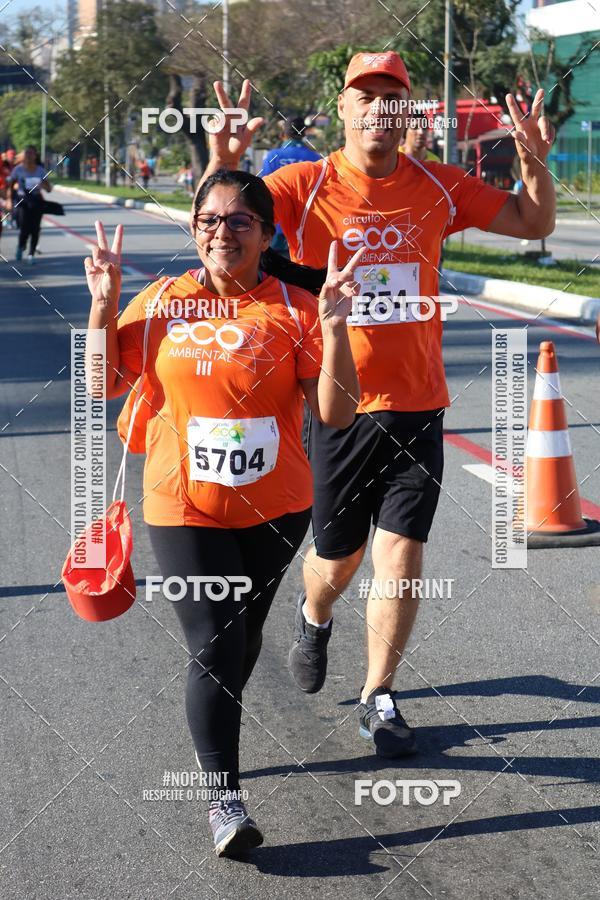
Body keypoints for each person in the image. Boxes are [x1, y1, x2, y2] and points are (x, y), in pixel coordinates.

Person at [199, 52, 556, 759]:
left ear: (406, 112)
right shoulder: (305, 183)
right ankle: (314, 612)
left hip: (418, 404)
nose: (379, 109)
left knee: (401, 552)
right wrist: (224, 159)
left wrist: (534, 161)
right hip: (337, 404)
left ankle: (379, 694)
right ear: (343, 108)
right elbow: (221, 227)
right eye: (365, 96)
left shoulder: (438, 185)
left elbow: (531, 220)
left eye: (392, 96)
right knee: (337, 559)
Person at [84, 170, 362, 855]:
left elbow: (337, 412)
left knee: (242, 639)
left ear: (267, 235)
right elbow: (100, 384)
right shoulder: (162, 301)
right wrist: (102, 307)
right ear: (194, 229)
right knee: (213, 642)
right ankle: (223, 799)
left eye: (240, 221)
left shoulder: (295, 307)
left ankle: (216, 722)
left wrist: (336, 327)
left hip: (276, 508)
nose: (222, 232)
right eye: (209, 220)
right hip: (182, 503)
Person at [261, 116, 321, 255]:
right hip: (308, 227)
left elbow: (263, 191)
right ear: (304, 134)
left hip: (277, 228)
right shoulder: (316, 158)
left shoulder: (272, 156)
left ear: (283, 134)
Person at [6, 145, 52, 264]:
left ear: (35, 156)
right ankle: (21, 246)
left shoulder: (40, 170)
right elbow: (10, 186)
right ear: (23, 155)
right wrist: (9, 200)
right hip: (22, 201)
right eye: (26, 153)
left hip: (36, 201)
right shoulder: (18, 170)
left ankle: (31, 254)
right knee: (24, 227)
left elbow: (49, 189)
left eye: (31, 153)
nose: (28, 156)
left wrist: (42, 185)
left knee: (35, 229)